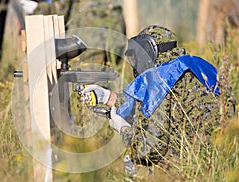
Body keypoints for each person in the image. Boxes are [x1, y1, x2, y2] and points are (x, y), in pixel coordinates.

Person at [82, 25, 236, 167]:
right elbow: (147, 99)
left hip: (187, 169)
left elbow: (148, 150)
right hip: (224, 160)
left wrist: (123, 129)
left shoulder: (160, 81)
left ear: (150, 50)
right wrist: (108, 97)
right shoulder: (197, 67)